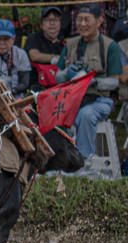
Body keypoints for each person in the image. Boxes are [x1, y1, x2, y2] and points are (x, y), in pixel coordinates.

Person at [53, 3, 124, 162]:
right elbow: (58, 77)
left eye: (87, 19)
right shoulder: (70, 44)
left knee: (86, 114)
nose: (82, 24)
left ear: (99, 21)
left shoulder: (110, 46)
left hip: (100, 100)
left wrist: (93, 82)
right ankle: (59, 160)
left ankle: (83, 160)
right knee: (55, 112)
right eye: (79, 20)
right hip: (72, 99)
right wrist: (67, 73)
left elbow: (114, 82)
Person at [25, 6, 65, 91]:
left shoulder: (63, 43)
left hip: (60, 87)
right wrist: (55, 58)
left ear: (60, 23)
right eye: (48, 20)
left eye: (55, 20)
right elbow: (34, 56)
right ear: (41, 24)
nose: (52, 23)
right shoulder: (34, 38)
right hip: (37, 87)